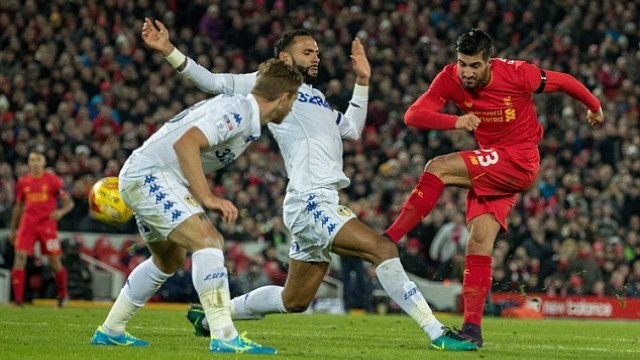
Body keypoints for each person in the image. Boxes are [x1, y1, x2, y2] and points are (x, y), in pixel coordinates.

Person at [142, 17, 476, 351]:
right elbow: (212, 81)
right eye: (307, 51)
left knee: (295, 300)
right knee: (382, 248)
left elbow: (353, 129)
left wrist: (362, 80)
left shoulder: (317, 98)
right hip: (310, 200)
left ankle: (214, 315)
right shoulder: (268, 84)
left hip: (318, 201)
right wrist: (168, 50)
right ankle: (436, 332)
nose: (316, 56)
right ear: (285, 58)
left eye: (317, 51)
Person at [383, 29, 604, 347]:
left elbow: (565, 81)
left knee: (438, 167)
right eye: (462, 64)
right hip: (492, 166)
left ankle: (389, 240)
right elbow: (413, 114)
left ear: (489, 62)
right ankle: (472, 330)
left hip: (520, 158)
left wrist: (594, 107)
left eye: (474, 65)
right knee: (477, 243)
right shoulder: (450, 78)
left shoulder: (517, 73)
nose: (467, 72)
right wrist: (454, 121)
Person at [89, 58, 302, 355]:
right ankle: (224, 335)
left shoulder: (242, 112)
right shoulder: (238, 111)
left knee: (169, 261)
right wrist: (207, 197)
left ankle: (110, 330)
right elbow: (186, 143)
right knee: (209, 240)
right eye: (293, 102)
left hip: (145, 175)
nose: (291, 109)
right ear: (284, 98)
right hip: (151, 175)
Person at [9, 148, 75, 307]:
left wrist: (60, 212)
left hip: (47, 225)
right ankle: (18, 300)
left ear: (44, 163)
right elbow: (18, 207)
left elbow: (69, 203)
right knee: (20, 258)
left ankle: (63, 295)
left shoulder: (53, 181)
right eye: (32, 160)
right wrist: (13, 228)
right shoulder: (23, 182)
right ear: (28, 163)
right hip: (27, 225)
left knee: (54, 261)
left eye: (38, 160)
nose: (35, 163)